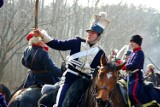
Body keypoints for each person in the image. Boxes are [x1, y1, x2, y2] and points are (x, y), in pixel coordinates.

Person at [34, 12, 110, 107]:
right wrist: (42, 35)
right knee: (60, 104)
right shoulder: (76, 42)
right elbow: (57, 44)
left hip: (87, 83)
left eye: (93, 33)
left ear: (99, 36)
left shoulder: (100, 53)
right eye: (89, 32)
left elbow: (105, 70)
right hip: (70, 79)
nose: (89, 34)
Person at [122, 35, 144, 107]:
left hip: (136, 77)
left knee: (132, 94)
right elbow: (128, 63)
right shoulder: (133, 53)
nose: (130, 43)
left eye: (132, 42)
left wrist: (123, 67)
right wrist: (120, 64)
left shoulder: (140, 53)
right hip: (128, 77)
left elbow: (134, 65)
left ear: (137, 43)